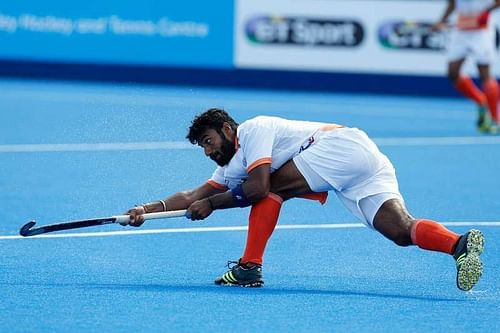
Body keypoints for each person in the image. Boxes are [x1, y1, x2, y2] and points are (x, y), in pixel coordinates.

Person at [124, 108, 485, 291]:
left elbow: (258, 189)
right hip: (360, 166)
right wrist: (145, 209)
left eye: (207, 141)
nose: (206, 150)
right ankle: (458, 244)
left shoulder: (255, 130)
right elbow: (192, 195)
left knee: (271, 189)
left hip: (340, 147)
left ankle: (249, 266)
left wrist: (213, 205)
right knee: (400, 231)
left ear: (227, 130)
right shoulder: (231, 167)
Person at [432, 0, 500, 133]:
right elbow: (452, 3)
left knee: (485, 74)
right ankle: (481, 100)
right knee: (452, 72)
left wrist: (485, 12)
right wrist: (441, 20)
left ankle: (495, 120)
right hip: (461, 31)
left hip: (482, 32)